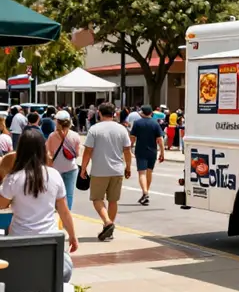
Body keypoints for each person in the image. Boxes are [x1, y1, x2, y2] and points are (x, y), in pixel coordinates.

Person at [0, 128, 79, 283]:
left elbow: (1, 204)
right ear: (43, 149)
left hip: (19, 245)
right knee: (66, 267)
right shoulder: (54, 175)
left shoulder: (13, 179)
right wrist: (73, 236)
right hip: (50, 244)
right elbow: (64, 211)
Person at [80, 102, 132, 241]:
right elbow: (127, 150)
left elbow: (88, 151)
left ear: (99, 113)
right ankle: (109, 227)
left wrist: (83, 168)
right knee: (113, 200)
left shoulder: (95, 129)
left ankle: (107, 222)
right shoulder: (122, 129)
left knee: (97, 199)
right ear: (114, 113)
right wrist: (128, 167)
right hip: (117, 169)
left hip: (99, 170)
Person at [130, 105, 165, 206]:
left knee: (142, 173)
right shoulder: (155, 124)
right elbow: (160, 139)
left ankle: (145, 192)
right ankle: (146, 192)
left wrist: (129, 148)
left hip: (141, 150)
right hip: (152, 151)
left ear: (142, 113)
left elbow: (132, 138)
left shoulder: (137, 123)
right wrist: (162, 152)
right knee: (149, 172)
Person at [46, 110, 81, 210]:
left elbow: (48, 153)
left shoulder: (52, 136)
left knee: (55, 193)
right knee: (69, 194)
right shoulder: (75, 135)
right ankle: (67, 213)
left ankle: (56, 211)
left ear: (57, 122)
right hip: (71, 168)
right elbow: (77, 154)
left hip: (56, 169)